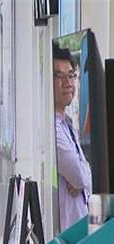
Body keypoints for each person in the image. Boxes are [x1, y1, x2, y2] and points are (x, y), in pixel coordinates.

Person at [53, 43, 91, 231]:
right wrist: (81, 177)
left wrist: (82, 176)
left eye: (70, 75)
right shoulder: (52, 128)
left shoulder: (67, 125)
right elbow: (77, 177)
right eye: (59, 76)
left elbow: (83, 179)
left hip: (80, 227)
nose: (67, 83)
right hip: (66, 233)